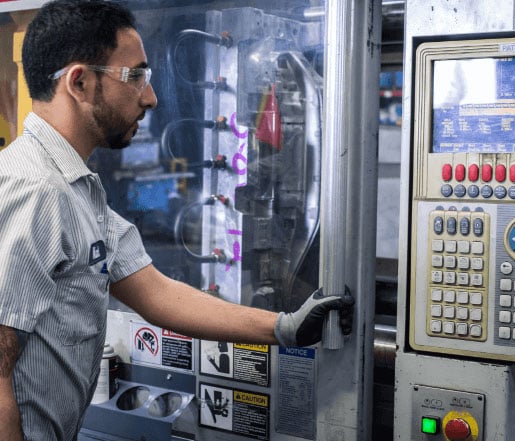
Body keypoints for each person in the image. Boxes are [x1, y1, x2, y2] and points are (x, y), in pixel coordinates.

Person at [0, 1, 354, 440]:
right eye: (135, 76)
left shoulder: (76, 188)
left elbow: (155, 292)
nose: (149, 97)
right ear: (80, 82)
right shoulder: (36, 190)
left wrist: (284, 328)